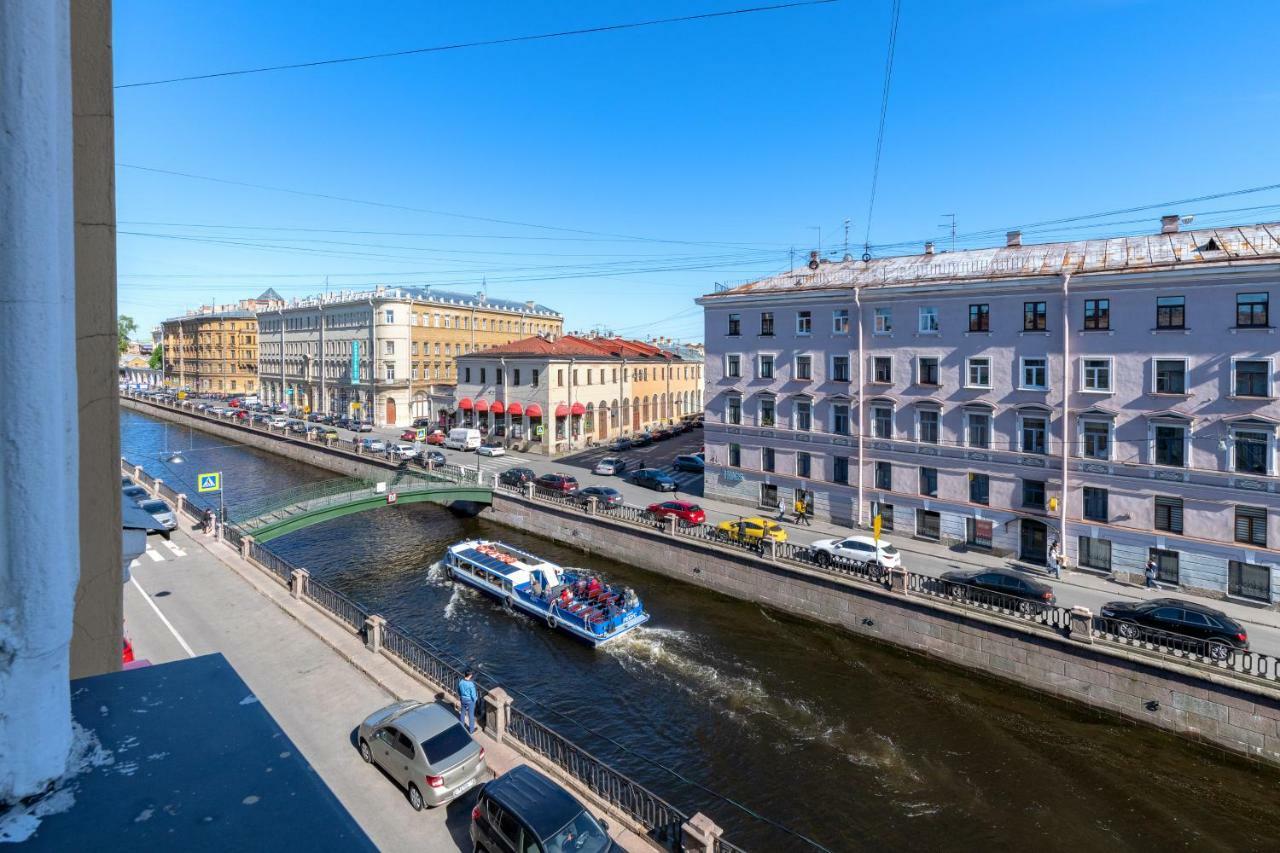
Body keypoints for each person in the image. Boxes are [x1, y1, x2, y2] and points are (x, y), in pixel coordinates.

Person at [457, 669, 478, 734]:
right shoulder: (471, 684)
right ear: (470, 675)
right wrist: (475, 700)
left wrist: (461, 696)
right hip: (470, 701)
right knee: (471, 715)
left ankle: (462, 726)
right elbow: (473, 695)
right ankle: (471, 730)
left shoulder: (461, 682)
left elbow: (458, 690)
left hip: (463, 699)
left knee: (463, 712)